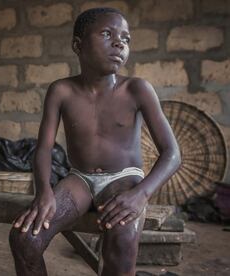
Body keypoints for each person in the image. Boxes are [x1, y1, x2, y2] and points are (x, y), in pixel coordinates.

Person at [9, 7, 181, 276]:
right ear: (78, 45)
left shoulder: (137, 89)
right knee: (25, 239)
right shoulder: (61, 91)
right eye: (107, 34)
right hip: (79, 180)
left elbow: (172, 153)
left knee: (122, 239)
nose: (119, 43)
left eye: (126, 38)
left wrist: (141, 194)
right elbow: (43, 149)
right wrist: (43, 192)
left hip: (125, 179)